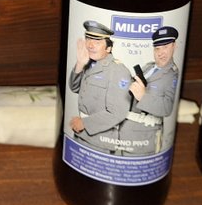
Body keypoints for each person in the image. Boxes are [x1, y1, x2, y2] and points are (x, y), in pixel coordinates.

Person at [68, 20, 132, 153]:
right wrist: (79, 64)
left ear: (108, 48)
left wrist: (84, 123)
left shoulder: (118, 71)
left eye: (97, 42)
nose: (90, 45)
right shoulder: (90, 63)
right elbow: (74, 88)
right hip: (81, 134)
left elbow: (117, 112)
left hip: (100, 140)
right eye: (88, 40)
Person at [117, 26, 180, 155]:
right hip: (124, 131)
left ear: (174, 46)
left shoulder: (172, 74)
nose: (161, 53)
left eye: (165, 47)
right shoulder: (149, 67)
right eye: (157, 48)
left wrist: (143, 96)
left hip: (144, 137)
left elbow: (167, 108)